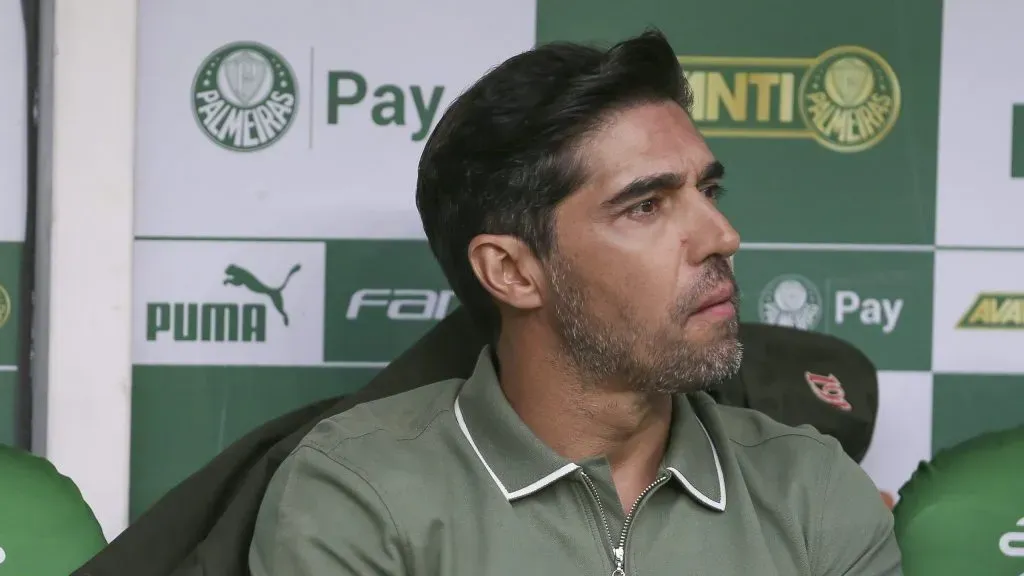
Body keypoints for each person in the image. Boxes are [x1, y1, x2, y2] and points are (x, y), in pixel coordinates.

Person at [248, 29, 901, 575]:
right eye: (646, 205)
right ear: (511, 272)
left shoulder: (813, 492)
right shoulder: (357, 494)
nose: (722, 236)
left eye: (710, 191)